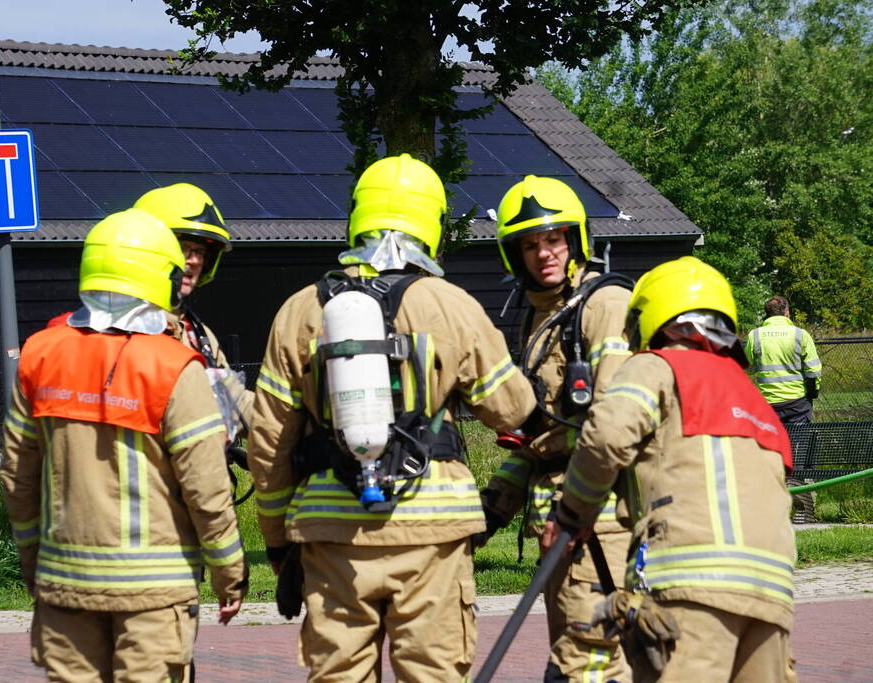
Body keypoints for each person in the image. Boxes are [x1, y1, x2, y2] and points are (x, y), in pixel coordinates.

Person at [246, 153, 535, 680]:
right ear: (432, 222)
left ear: (357, 215)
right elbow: (512, 410)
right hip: (433, 533)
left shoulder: (299, 311)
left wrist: (277, 542)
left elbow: (269, 445)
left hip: (332, 534)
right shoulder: (451, 304)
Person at [0, 208, 248, 682]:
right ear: (162, 274)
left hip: (65, 585)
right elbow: (207, 488)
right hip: (155, 596)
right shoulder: (175, 366)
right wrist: (228, 571)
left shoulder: (39, 354)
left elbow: (17, 476)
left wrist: (34, 562)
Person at [555, 256, 796, 682]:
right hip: (771, 593)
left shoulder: (657, 366)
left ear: (652, 317)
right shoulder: (752, 396)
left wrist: (574, 512)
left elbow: (606, 436)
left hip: (691, 585)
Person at [479, 175, 634, 682]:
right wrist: (491, 509)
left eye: (553, 238)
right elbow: (540, 437)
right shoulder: (537, 320)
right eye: (528, 243)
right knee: (579, 651)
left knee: (589, 658)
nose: (543, 253)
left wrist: (575, 511)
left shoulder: (603, 305)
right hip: (565, 515)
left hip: (601, 517)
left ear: (576, 239)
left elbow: (611, 424)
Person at [134, 183, 253, 443]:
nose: (195, 261)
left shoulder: (197, 333)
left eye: (200, 252)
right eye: (183, 248)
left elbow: (236, 402)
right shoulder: (121, 329)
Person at [745, 296, 822, 426]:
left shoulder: (755, 335)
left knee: (772, 445)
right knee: (799, 444)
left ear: (768, 314)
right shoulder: (801, 335)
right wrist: (812, 393)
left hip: (768, 403)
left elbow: (747, 368)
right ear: (787, 313)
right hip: (797, 403)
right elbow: (813, 371)